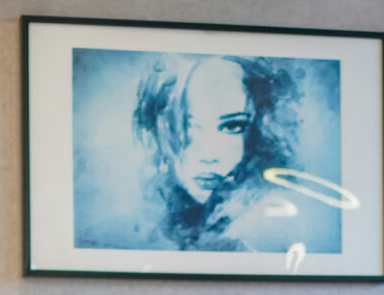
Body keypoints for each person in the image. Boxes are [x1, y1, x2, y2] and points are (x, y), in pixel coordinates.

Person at [132, 53, 309, 252]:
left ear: (256, 130)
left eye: (232, 127)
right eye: (187, 128)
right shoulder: (145, 225)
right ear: (158, 129)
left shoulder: (268, 227)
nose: (210, 156)